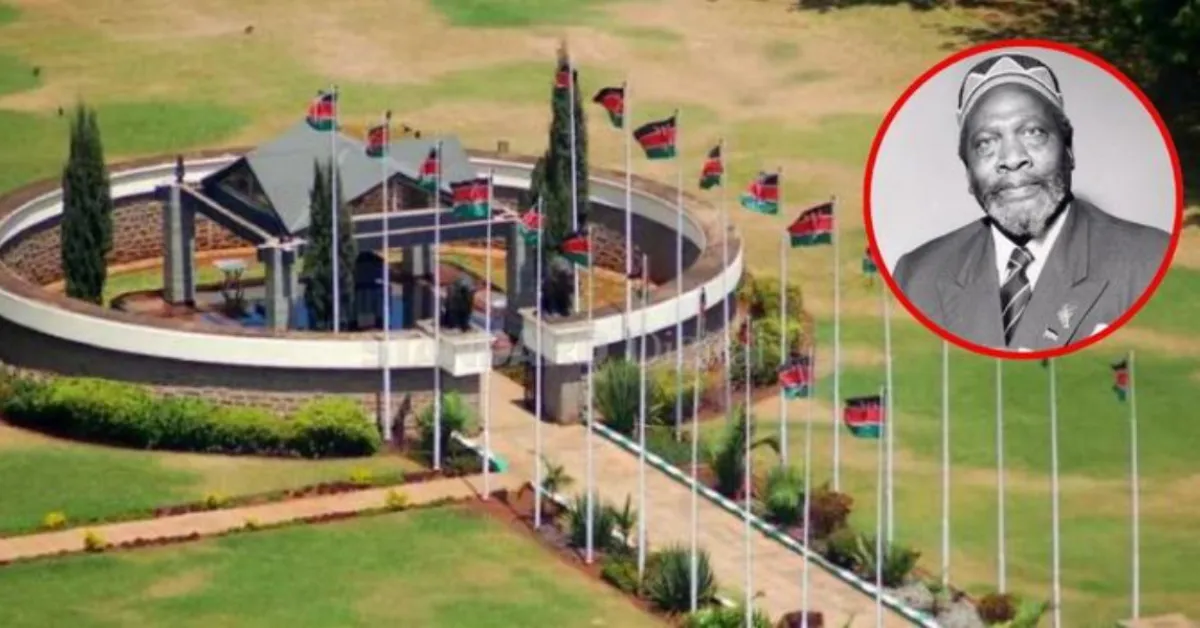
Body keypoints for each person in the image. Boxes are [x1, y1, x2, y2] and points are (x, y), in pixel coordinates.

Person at [892, 52, 1170, 351]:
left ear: (1069, 150)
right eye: (985, 143)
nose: (1012, 159)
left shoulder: (1150, 262)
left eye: (1033, 133)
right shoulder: (916, 278)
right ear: (968, 172)